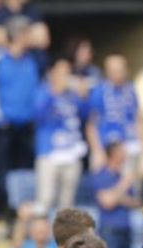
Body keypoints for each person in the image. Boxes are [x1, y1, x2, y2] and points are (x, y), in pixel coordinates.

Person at [0, 15, 38, 217]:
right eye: (28, 33)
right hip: (3, 125)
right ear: (19, 35)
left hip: (25, 125)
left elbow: (33, 92)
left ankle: (17, 211)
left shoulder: (30, 61)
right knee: (0, 170)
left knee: (23, 172)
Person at [34, 57, 88, 212]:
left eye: (68, 72)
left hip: (71, 152)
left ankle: (62, 235)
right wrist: (55, 91)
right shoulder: (43, 91)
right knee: (45, 199)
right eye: (61, 72)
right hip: (49, 152)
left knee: (67, 204)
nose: (65, 76)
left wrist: (84, 96)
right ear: (52, 73)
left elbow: (84, 116)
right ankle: (38, 235)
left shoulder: (73, 95)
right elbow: (39, 115)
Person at [87, 54, 143, 171]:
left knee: (132, 186)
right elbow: (91, 125)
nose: (117, 74)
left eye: (120, 70)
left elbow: (138, 118)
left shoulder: (131, 89)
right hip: (107, 149)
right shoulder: (99, 92)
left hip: (130, 147)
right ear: (107, 72)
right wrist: (98, 151)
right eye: (113, 71)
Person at [92, 141, 139, 248]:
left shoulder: (121, 175)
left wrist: (116, 197)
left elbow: (136, 202)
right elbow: (107, 203)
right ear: (113, 154)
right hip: (110, 229)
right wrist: (124, 184)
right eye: (122, 151)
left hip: (126, 229)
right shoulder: (101, 175)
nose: (125, 154)